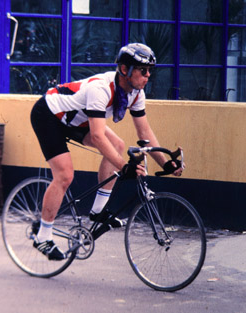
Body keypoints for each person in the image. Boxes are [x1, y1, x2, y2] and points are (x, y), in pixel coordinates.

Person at [30, 43, 184, 260]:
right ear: (124, 70)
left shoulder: (135, 93)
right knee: (64, 175)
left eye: (150, 70)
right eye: (143, 70)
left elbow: (144, 133)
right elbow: (97, 136)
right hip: (49, 115)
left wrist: (165, 163)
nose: (148, 75)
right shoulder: (100, 88)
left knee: (118, 146)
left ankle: (98, 212)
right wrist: (124, 167)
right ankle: (43, 236)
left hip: (76, 120)